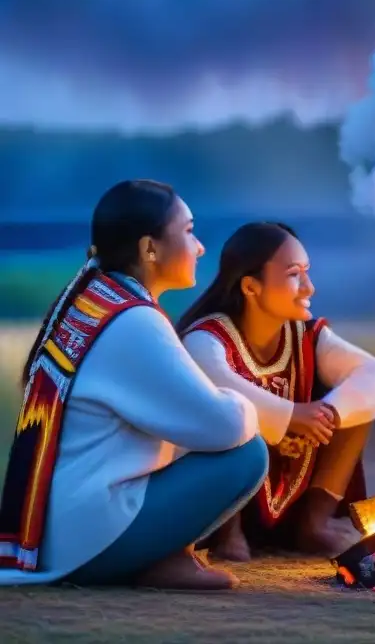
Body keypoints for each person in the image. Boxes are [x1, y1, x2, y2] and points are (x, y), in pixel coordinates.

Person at [0, 180, 267, 591]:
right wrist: (240, 398)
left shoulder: (96, 301)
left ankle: (164, 555)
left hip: (59, 532)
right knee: (247, 454)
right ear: (150, 250)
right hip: (88, 541)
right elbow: (224, 426)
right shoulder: (132, 321)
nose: (199, 248)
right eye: (190, 231)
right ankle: (155, 559)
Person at [177, 221, 375, 561]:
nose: (308, 288)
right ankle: (226, 528)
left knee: (356, 404)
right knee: (225, 414)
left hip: (292, 487)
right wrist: (290, 417)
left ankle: (314, 523)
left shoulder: (305, 336)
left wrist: (327, 414)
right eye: (294, 274)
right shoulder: (207, 337)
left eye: (306, 273)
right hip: (230, 491)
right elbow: (217, 381)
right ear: (251, 286)